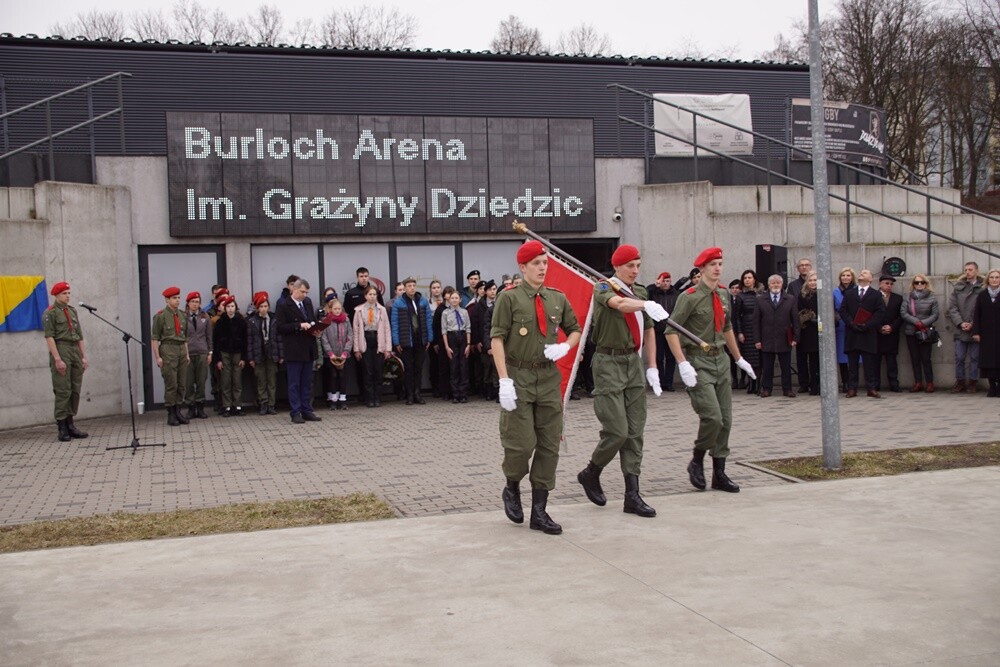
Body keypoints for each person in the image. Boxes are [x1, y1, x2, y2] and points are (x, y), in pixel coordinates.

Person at [492, 240, 582, 535]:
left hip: (547, 379)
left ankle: (539, 511)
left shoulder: (557, 298)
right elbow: (497, 340)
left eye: (545, 263)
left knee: (548, 445)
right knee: (520, 444)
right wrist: (504, 380)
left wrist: (566, 347)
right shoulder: (509, 298)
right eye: (536, 264)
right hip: (518, 375)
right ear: (523, 267)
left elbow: (575, 329)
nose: (542, 268)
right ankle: (512, 486)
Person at [576, 244, 669, 519]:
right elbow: (619, 305)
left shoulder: (641, 292)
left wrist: (652, 367)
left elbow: (649, 331)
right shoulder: (604, 287)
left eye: (638, 265)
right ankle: (591, 472)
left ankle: (632, 495)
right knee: (617, 430)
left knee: (635, 432)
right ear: (617, 266)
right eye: (630, 265)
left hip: (633, 364)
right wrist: (644, 305)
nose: (635, 270)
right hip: (608, 363)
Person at [667, 247, 756, 494]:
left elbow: (726, 327)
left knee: (726, 420)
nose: (718, 268)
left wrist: (738, 358)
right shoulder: (690, 297)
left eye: (720, 263)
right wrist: (682, 363)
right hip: (698, 362)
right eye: (713, 264)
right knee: (712, 417)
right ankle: (697, 459)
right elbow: (671, 330)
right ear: (702, 269)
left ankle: (719, 473)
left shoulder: (725, 294)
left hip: (721, 361)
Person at [44, 281, 88, 441]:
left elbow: (79, 336)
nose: (68, 296)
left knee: (75, 388)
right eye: (64, 293)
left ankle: (71, 424)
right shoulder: (51, 313)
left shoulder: (72, 311)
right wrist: (57, 359)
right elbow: (49, 337)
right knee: (63, 389)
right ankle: (62, 427)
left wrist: (83, 356)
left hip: (74, 350)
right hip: (61, 349)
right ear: (56, 295)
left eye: (69, 293)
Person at [275, 278, 323, 423]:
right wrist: (299, 325)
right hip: (294, 349)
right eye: (302, 291)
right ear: (294, 290)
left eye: (307, 292)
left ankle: (307, 409)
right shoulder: (284, 305)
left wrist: (316, 330)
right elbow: (280, 327)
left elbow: (312, 320)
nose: (305, 294)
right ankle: (295, 412)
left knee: (307, 382)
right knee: (294, 382)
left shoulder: (307, 303)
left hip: (308, 347)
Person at [839, 269, 887, 398]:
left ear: (871, 279)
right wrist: (851, 323)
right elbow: (843, 310)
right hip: (852, 333)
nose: (862, 273)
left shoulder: (876, 295)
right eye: (861, 272)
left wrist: (868, 325)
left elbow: (880, 312)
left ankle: (871, 388)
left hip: (868, 333)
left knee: (869, 363)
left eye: (865, 273)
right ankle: (852, 388)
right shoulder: (849, 293)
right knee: (852, 364)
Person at [754, 274, 800, 398]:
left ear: (782, 284)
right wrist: (757, 340)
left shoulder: (790, 299)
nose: (775, 285)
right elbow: (756, 321)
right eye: (773, 283)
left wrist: (796, 337)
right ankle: (767, 389)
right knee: (767, 366)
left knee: (786, 366)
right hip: (767, 337)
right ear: (769, 285)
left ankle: (787, 389)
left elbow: (795, 319)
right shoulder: (760, 299)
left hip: (785, 338)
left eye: (778, 283)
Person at [390, 277, 434, 405]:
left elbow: (428, 321)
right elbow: (395, 323)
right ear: (405, 288)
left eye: (413, 285)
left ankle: (417, 394)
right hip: (406, 341)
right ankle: (409, 395)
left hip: (420, 340)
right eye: (409, 286)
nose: (412, 288)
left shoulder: (422, 301)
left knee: (418, 369)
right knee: (408, 369)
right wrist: (396, 342)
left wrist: (429, 338)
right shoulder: (399, 303)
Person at [151, 286, 191, 426]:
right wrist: (158, 357)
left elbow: (185, 337)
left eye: (179, 297)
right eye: (174, 298)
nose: (177, 300)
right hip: (168, 349)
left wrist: (186, 354)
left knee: (181, 383)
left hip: (180, 348)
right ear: (167, 299)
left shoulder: (182, 315)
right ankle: (171, 413)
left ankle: (178, 410)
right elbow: (155, 338)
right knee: (171, 383)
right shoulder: (160, 316)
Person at [352, 284, 392, 407]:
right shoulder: (358, 310)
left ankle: (378, 397)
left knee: (378, 371)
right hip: (365, 340)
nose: (372, 297)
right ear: (365, 296)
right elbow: (356, 330)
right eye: (370, 294)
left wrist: (387, 349)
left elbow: (386, 329)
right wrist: (357, 349)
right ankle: (369, 398)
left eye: (375, 294)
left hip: (378, 340)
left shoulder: (382, 310)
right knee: (368, 371)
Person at [948, 261, 984, 393]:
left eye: (970, 270)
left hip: (976, 328)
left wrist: (974, 324)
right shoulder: (958, 287)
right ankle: (960, 381)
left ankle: (973, 382)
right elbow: (952, 308)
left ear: (976, 271)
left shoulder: (982, 288)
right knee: (960, 357)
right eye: (966, 270)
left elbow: (983, 309)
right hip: (960, 329)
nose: (968, 272)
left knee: (975, 357)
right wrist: (960, 322)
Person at [900, 273, 940, 393]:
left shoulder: (932, 297)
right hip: (911, 331)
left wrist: (923, 323)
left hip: (925, 331)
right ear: (913, 284)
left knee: (926, 358)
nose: (919, 285)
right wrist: (915, 321)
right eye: (916, 282)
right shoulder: (907, 297)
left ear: (926, 284)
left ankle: (930, 382)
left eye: (922, 282)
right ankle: (918, 382)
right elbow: (903, 312)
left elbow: (935, 314)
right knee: (914, 358)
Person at [246, 291, 282, 415]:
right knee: (261, 380)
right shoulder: (252, 321)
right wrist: (250, 357)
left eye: (265, 306)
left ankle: (271, 404)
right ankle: (263, 403)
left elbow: (278, 338)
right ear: (257, 308)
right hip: (259, 353)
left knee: (272, 380)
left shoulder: (274, 319)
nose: (263, 309)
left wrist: (280, 354)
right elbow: (250, 340)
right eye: (261, 306)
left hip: (271, 353)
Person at [213, 295, 248, 416]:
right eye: (228, 306)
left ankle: (237, 405)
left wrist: (244, 357)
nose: (230, 309)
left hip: (238, 353)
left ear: (236, 307)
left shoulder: (241, 321)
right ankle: (226, 406)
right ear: (224, 308)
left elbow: (245, 340)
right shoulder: (220, 322)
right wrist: (218, 359)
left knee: (237, 380)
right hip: (224, 353)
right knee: (226, 380)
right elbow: (215, 341)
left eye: (232, 306)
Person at [647, 271, 679, 391]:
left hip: (671, 330)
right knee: (658, 357)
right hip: (658, 330)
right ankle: (660, 381)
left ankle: (669, 383)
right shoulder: (654, 293)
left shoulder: (676, 294)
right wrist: (655, 285)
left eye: (667, 281)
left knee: (671, 357)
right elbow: (646, 292)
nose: (665, 283)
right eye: (663, 281)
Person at [320, 297, 353, 410]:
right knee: (333, 376)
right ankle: (333, 399)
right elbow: (324, 338)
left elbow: (350, 336)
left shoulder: (346, 320)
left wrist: (345, 352)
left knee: (343, 376)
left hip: (343, 354)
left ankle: (342, 399)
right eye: (335, 309)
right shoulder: (326, 321)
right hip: (331, 355)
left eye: (339, 309)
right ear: (330, 309)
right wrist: (330, 353)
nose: (338, 311)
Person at [183, 291, 212, 420]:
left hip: (202, 352)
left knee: (201, 381)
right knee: (188, 382)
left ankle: (200, 407)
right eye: (193, 302)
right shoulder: (182, 317)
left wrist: (210, 352)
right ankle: (190, 407)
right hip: (188, 353)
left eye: (197, 302)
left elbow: (209, 336)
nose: (195, 304)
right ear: (188, 303)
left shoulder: (205, 316)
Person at [732, 269, 762, 394]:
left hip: (759, 328)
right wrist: (739, 332)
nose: (747, 280)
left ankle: (759, 383)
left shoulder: (761, 294)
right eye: (745, 278)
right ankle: (751, 382)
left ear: (754, 279)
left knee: (759, 358)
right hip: (746, 328)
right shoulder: (740, 297)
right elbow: (737, 316)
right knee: (749, 357)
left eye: (750, 277)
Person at [972, 269, 1000, 397]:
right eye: (992, 277)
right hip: (987, 334)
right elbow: (977, 315)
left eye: (997, 277)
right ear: (988, 279)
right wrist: (976, 332)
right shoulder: (982, 295)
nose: (994, 279)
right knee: (989, 361)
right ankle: (992, 386)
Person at [787, 258, 813, 392]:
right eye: (801, 265)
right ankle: (803, 383)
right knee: (801, 356)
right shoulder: (793, 285)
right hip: (800, 325)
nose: (804, 267)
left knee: (814, 357)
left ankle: (815, 383)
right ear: (797, 269)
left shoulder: (816, 282)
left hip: (814, 326)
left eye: (806, 265)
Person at [441, 288, 472, 403]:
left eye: (456, 298)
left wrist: (468, 344)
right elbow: (443, 331)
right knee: (454, 367)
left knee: (463, 366)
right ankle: (455, 394)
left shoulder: (464, 312)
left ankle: (463, 393)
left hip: (462, 337)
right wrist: (446, 346)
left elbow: (468, 328)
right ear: (449, 300)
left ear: (460, 300)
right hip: (451, 337)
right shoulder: (445, 313)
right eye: (452, 298)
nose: (454, 300)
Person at [875, 275, 904, 393]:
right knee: (875, 361)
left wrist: (892, 327)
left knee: (892, 361)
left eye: (891, 284)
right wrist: (879, 327)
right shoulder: (874, 296)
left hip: (892, 334)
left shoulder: (898, 298)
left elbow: (900, 316)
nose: (889, 286)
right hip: (877, 334)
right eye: (887, 283)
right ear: (880, 284)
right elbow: (871, 314)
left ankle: (894, 384)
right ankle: (875, 385)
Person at [797, 272, 821, 395]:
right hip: (805, 330)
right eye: (810, 280)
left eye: (815, 280)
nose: (813, 283)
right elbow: (800, 311)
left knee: (815, 361)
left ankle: (816, 385)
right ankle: (804, 384)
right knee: (802, 359)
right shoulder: (802, 295)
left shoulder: (822, 295)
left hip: (818, 331)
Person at [833, 267, 856, 392]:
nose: (845, 278)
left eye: (848, 275)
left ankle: (854, 382)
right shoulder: (835, 292)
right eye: (843, 275)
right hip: (841, 325)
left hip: (854, 324)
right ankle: (845, 382)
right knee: (842, 356)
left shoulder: (856, 290)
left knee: (854, 355)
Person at [479, 280, 499, 401]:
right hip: (493, 345)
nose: (493, 292)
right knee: (493, 370)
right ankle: (493, 392)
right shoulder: (490, 310)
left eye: (495, 289)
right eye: (491, 289)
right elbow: (485, 329)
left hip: (506, 345)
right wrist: (488, 347)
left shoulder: (507, 309)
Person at [426, 280, 445, 398]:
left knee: (444, 364)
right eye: (434, 288)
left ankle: (444, 387)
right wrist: (433, 341)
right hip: (433, 337)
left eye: (438, 287)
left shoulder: (446, 302)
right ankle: (435, 387)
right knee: (434, 364)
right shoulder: (427, 303)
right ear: (430, 290)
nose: (436, 290)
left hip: (445, 337)